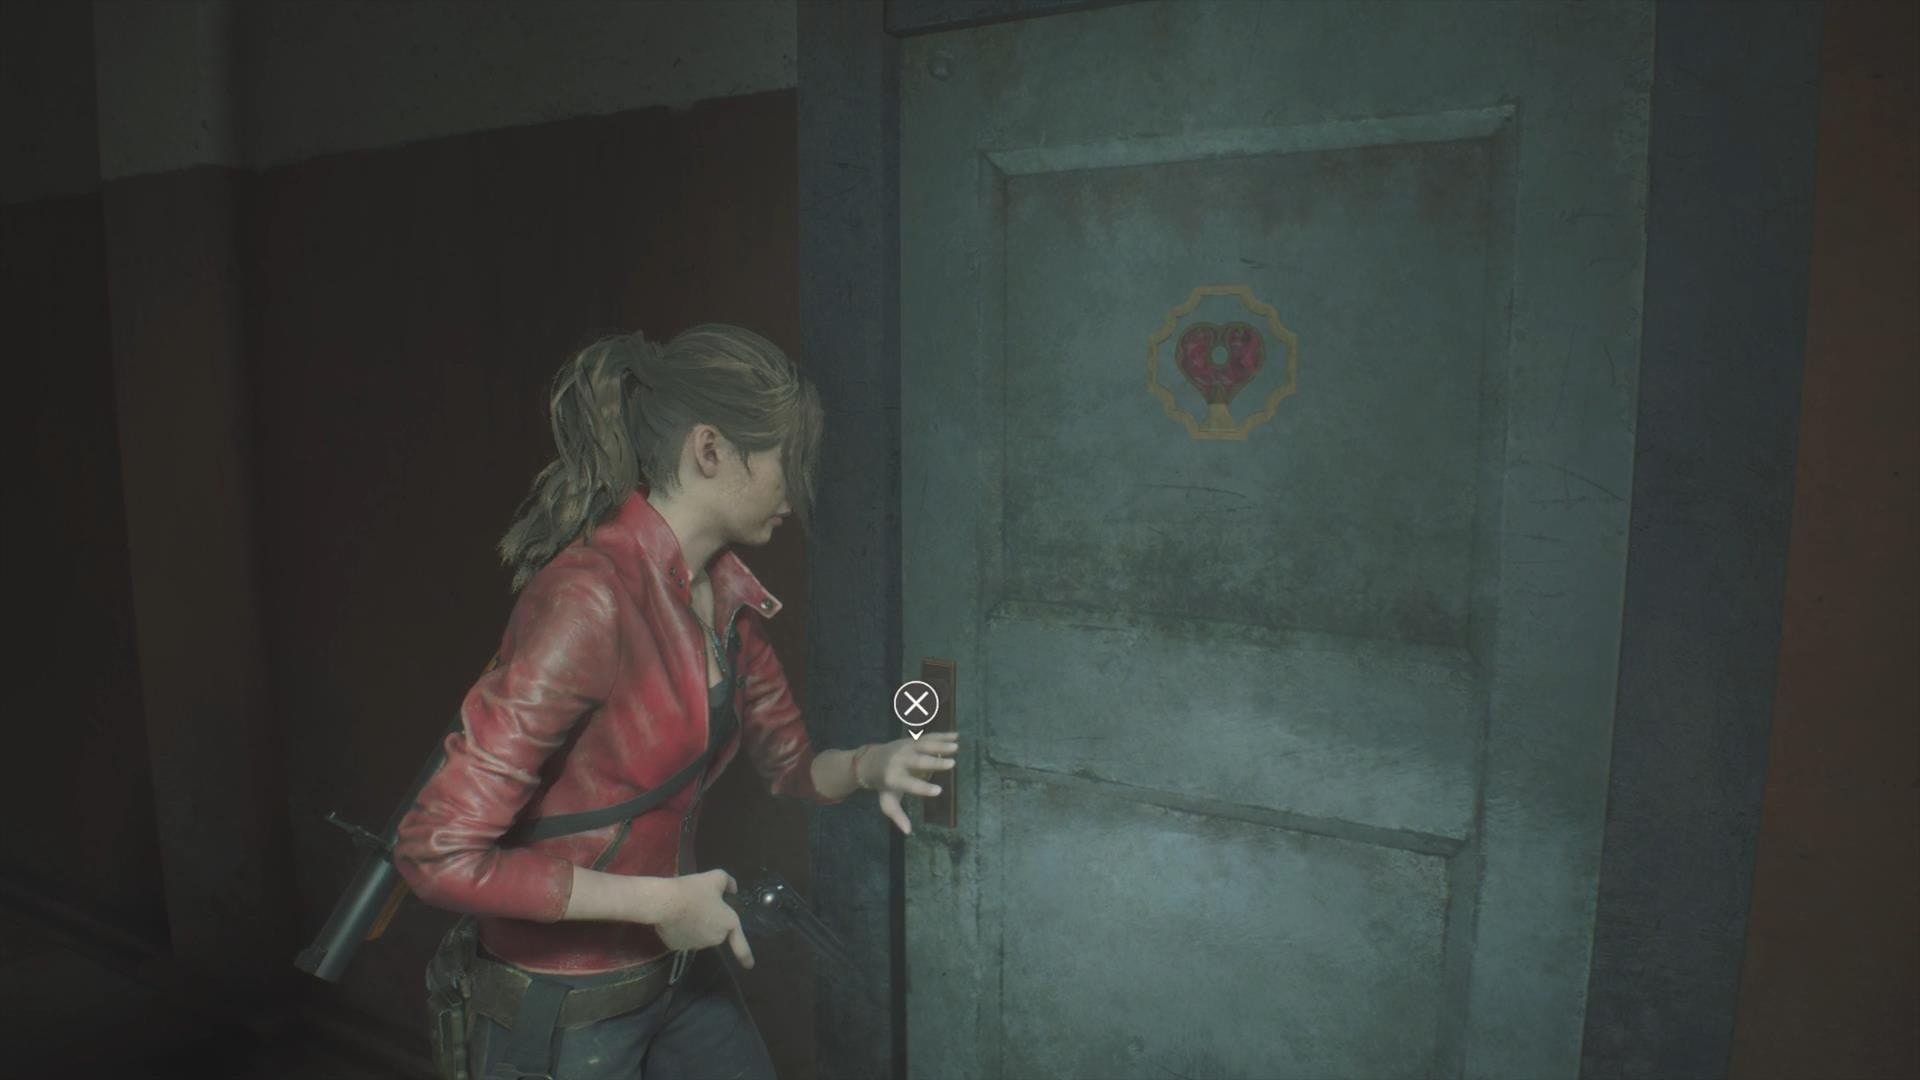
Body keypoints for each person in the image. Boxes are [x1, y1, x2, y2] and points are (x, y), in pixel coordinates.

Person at [392, 325, 958, 1079]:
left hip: (679, 967)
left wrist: (869, 765)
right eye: (787, 460)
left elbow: (791, 768)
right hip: (564, 1005)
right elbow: (436, 853)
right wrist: (659, 905)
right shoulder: (588, 600)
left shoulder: (729, 600)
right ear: (711, 450)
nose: (795, 493)